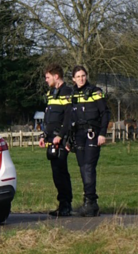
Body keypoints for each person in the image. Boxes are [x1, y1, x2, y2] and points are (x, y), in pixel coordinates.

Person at [55, 65, 111, 217]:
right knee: (82, 167)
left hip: (92, 133)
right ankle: (88, 202)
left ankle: (91, 202)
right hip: (78, 135)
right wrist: (68, 140)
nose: (81, 79)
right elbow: (68, 119)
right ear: (73, 79)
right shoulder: (72, 95)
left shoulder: (95, 92)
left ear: (86, 76)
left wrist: (102, 133)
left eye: (83, 75)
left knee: (88, 167)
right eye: (78, 76)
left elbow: (105, 113)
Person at [38, 64, 74, 217]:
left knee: (61, 171)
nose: (46, 80)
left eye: (47, 77)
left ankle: (66, 204)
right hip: (52, 138)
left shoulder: (67, 92)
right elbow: (49, 118)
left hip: (62, 139)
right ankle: (62, 204)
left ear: (56, 76)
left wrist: (61, 135)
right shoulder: (52, 93)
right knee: (56, 172)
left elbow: (68, 117)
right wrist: (43, 135)